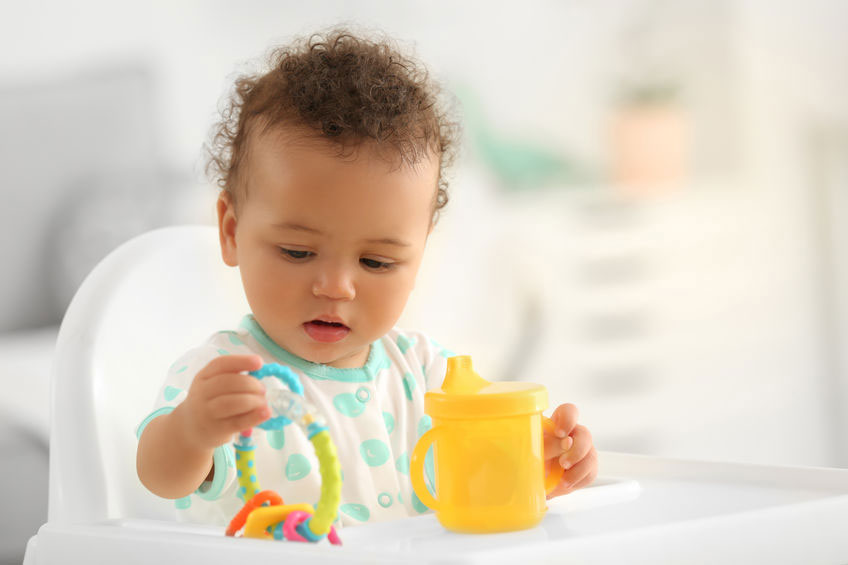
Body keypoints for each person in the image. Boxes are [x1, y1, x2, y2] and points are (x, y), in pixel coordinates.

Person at [136, 28, 598, 528]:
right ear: (230, 231)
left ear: (420, 255)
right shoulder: (226, 375)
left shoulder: (429, 376)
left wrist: (541, 456)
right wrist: (192, 431)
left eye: (376, 262)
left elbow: (489, 462)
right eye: (297, 251)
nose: (336, 286)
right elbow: (160, 477)